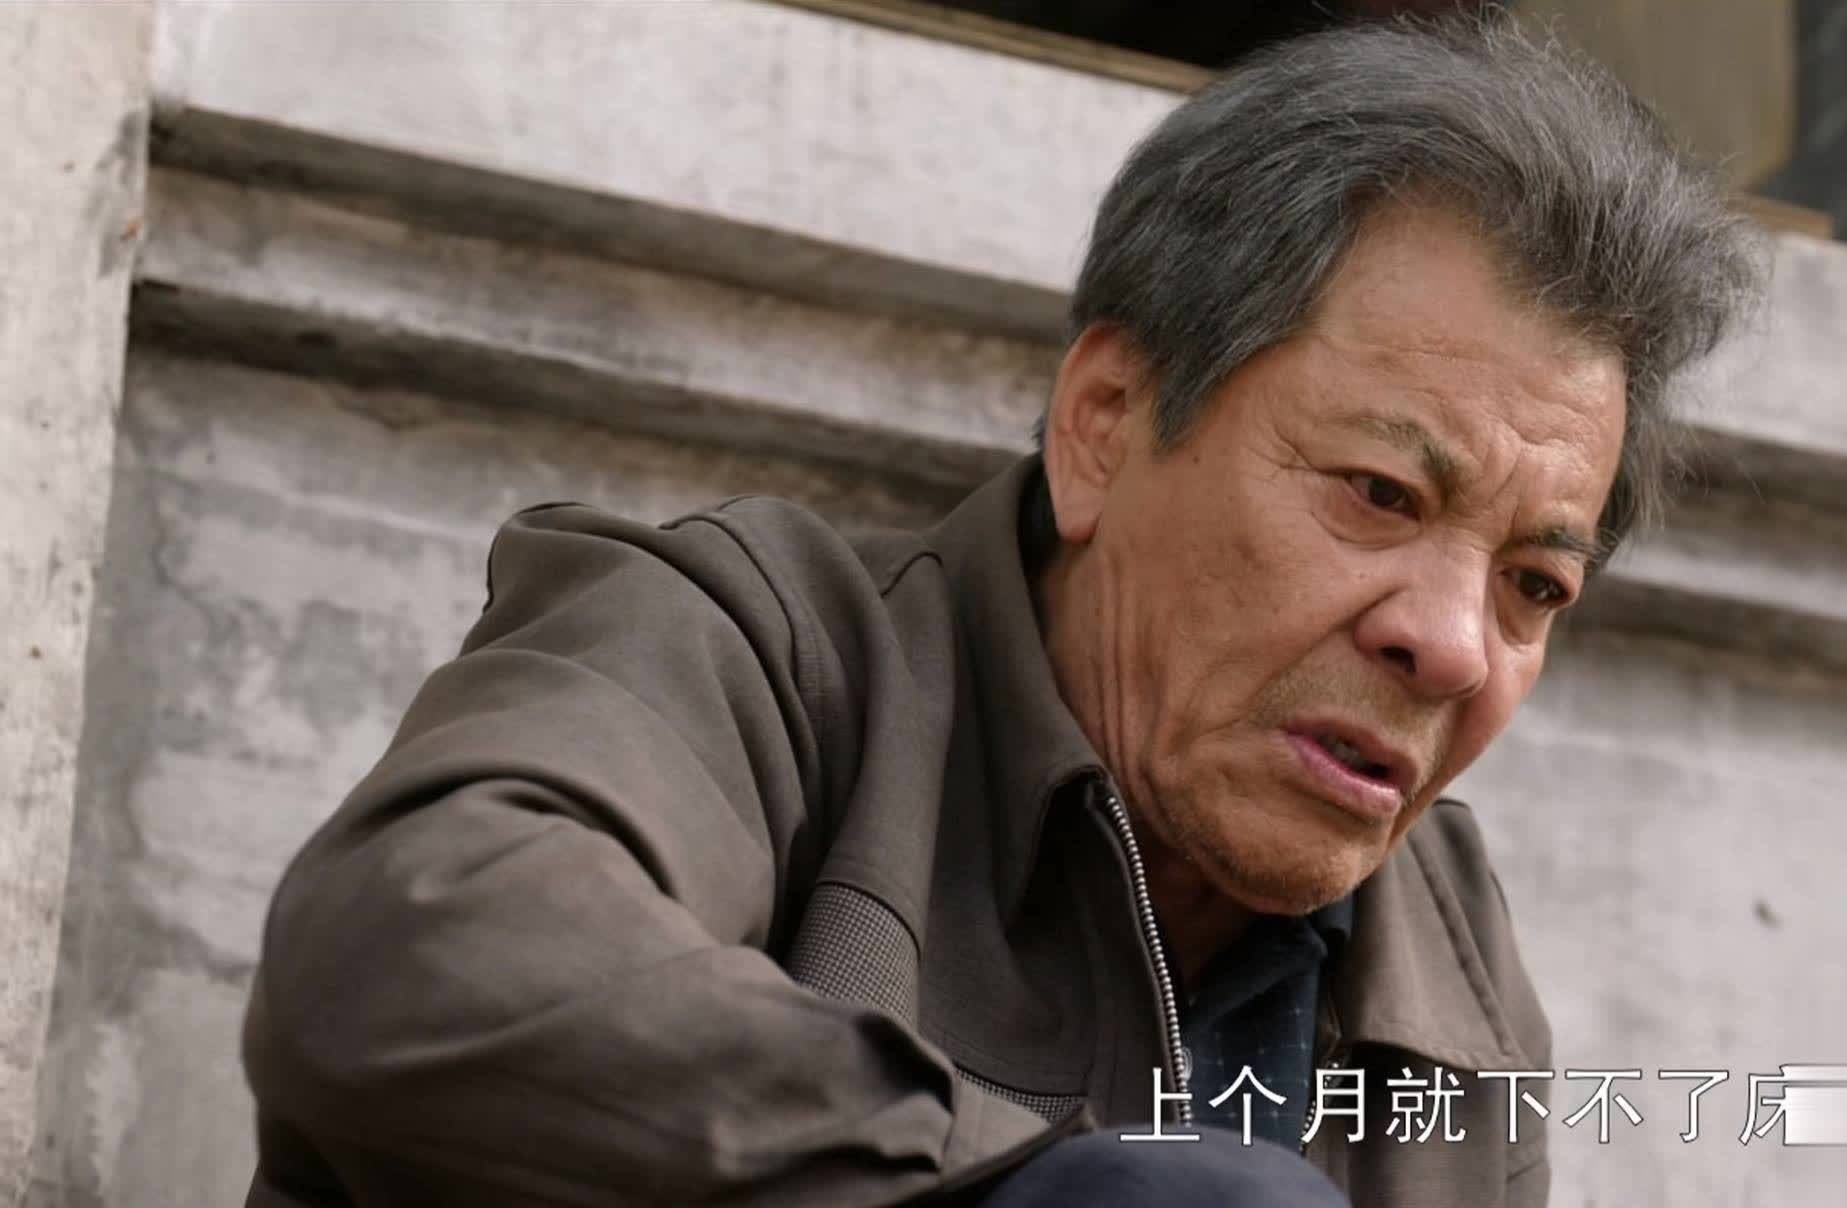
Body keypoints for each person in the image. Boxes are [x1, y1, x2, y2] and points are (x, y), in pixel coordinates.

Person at [238, 16, 1758, 1208]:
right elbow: (410, 950)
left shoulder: (1446, 955)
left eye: (1534, 585)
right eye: (1378, 492)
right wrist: (1015, 1189)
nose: (1450, 643)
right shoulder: (764, 651)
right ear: (1104, 424)